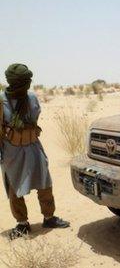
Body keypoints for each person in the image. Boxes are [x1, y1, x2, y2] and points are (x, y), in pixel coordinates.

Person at [1, 63, 70, 240]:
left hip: (33, 146)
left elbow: (34, 118)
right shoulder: (1, 102)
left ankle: (49, 217)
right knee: (15, 188)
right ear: (15, 83)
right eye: (25, 81)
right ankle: (22, 223)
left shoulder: (31, 98)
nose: (28, 85)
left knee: (44, 182)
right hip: (11, 152)